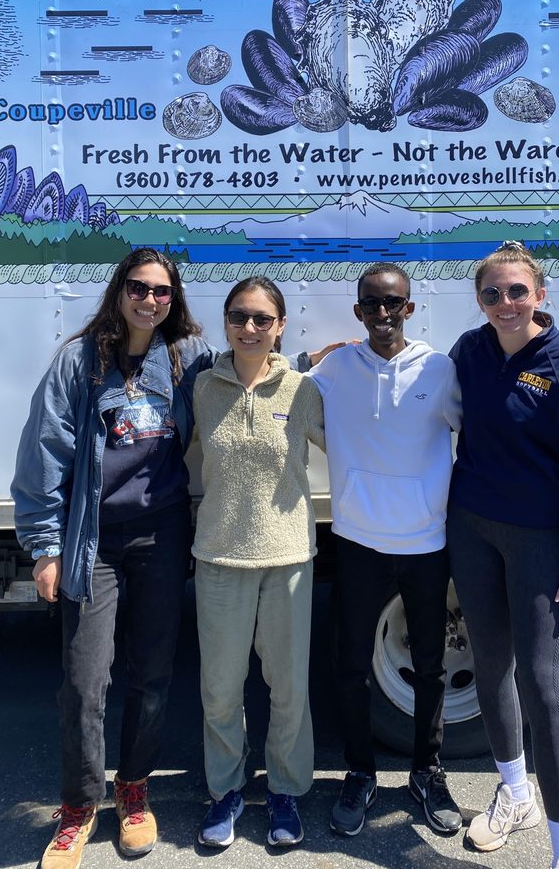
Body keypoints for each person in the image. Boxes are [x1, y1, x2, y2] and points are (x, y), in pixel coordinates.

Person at [12, 250, 318, 869]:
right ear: (119, 290)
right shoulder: (79, 360)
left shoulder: (182, 363)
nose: (149, 299)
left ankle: (133, 793)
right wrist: (44, 545)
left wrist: (319, 365)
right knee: (84, 681)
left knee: (152, 678)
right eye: (138, 287)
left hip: (162, 537)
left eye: (161, 291)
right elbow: (46, 452)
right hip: (93, 540)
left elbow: (257, 379)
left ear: (173, 301)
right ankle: (77, 811)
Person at [446, 241, 559, 869]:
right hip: (473, 529)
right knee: (490, 666)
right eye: (492, 293)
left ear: (541, 295)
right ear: (480, 301)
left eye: (517, 291)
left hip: (542, 540)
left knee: (543, 685)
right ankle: (516, 794)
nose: (506, 303)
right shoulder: (470, 350)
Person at [308, 262, 463, 838]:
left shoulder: (441, 369)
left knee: (429, 665)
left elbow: (481, 432)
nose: (381, 315)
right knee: (350, 667)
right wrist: (312, 355)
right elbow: (279, 385)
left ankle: (427, 771)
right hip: (357, 541)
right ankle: (360, 772)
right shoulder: (335, 370)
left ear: (410, 308)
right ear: (357, 312)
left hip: (426, 542)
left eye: (392, 304)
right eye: (370, 305)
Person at [191, 276, 325, 849]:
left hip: (289, 557)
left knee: (288, 687)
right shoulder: (200, 388)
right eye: (239, 317)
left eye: (262, 319)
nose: (250, 328)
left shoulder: (302, 391)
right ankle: (226, 791)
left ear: (281, 327)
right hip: (220, 555)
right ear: (225, 322)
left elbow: (357, 447)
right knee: (220, 688)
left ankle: (286, 791)